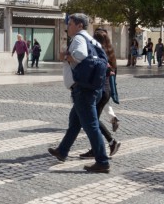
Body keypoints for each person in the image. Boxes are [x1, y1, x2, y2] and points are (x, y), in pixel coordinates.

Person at [47, 13, 110, 173]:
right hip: (93, 88)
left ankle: (102, 161)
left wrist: (66, 56)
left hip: (82, 90)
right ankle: (62, 151)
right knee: (75, 122)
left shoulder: (79, 39)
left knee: (91, 126)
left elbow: (80, 55)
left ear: (79, 26)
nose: (68, 26)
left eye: (70, 23)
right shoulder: (93, 40)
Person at [89, 27, 121, 158]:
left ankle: (111, 142)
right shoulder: (110, 53)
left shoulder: (98, 54)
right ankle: (95, 148)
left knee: (92, 121)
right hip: (106, 90)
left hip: (99, 90)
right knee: (91, 121)